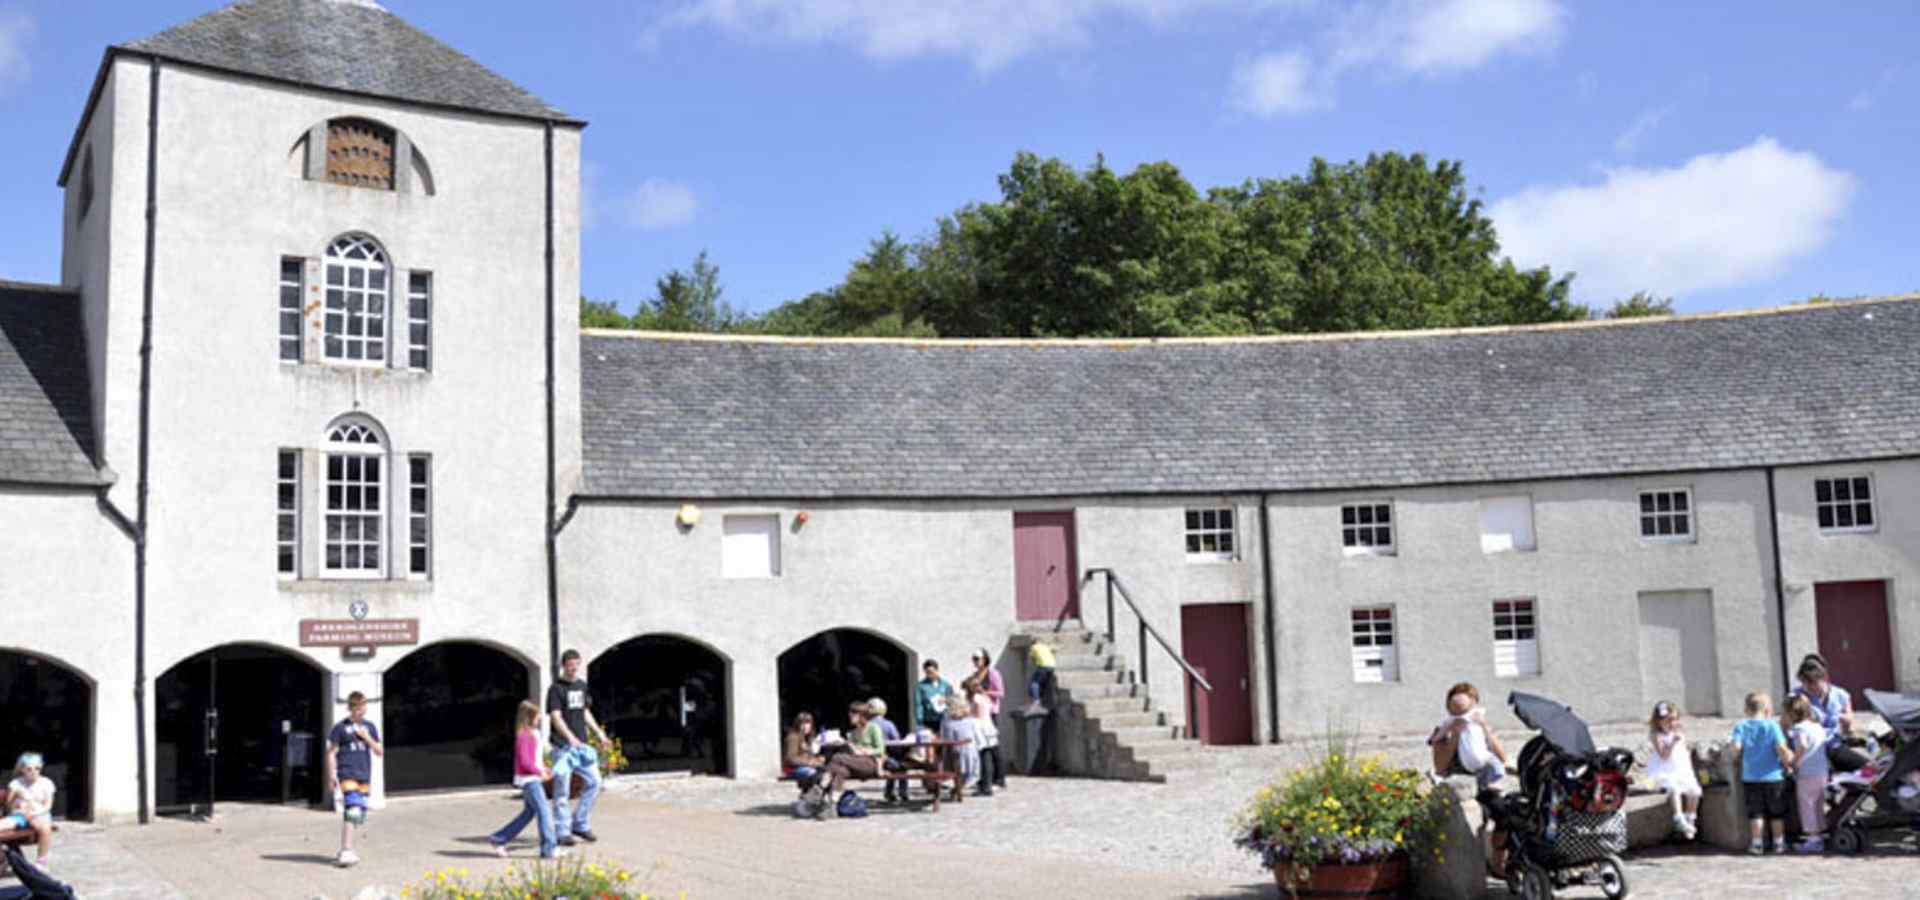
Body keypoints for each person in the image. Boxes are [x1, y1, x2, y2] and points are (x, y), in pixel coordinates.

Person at [547, 648, 610, 845]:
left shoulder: (582, 686)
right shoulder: (556, 689)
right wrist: (569, 737)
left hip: (581, 747)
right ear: (564, 666)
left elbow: (584, 712)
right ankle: (562, 831)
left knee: (595, 782)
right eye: (571, 665)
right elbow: (556, 717)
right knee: (562, 791)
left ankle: (580, 823)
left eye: (577, 665)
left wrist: (599, 734)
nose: (574, 669)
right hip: (563, 747)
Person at [489, 701, 563, 859]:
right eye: (537, 716)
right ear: (529, 717)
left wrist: (543, 768)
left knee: (528, 814)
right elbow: (525, 761)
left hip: (532, 778)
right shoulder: (525, 736)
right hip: (530, 780)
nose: (539, 719)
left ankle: (499, 839)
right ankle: (549, 848)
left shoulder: (532, 734)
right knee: (545, 812)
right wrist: (539, 772)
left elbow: (534, 759)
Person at [324, 691, 384, 868]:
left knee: (358, 814)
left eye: (364, 706)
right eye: (358, 707)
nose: (361, 710)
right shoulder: (340, 728)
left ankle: (346, 848)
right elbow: (331, 753)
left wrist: (367, 738)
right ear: (350, 708)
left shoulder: (370, 727)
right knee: (353, 808)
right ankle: (346, 850)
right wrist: (331, 775)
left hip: (363, 775)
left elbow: (379, 752)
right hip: (347, 773)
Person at [1729, 691, 1793, 854]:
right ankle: (1779, 843)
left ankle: (1757, 843)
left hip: (1750, 776)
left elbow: (1736, 748)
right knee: (1776, 812)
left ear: (1746, 709)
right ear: (1767, 709)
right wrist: (1789, 762)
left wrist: (1735, 756)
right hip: (1773, 776)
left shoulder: (1741, 726)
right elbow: (1781, 748)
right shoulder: (1772, 726)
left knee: (1755, 813)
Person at [1427, 682, 1507, 791]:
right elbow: (1440, 767)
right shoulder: (1444, 729)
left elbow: (1502, 757)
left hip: (1484, 780)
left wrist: (1485, 728)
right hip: (1459, 785)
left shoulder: (1479, 723)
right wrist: (1455, 735)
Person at [813, 701, 885, 819]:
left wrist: (864, 751)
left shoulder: (873, 728)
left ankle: (820, 787)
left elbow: (880, 749)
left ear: (862, 715)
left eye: (853, 714)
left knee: (837, 757)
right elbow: (852, 752)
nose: (850, 716)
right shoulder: (853, 733)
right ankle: (832, 806)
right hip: (854, 763)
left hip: (870, 763)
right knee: (841, 771)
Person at [1788, 655, 1861, 768]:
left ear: (1824, 678)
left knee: (1867, 767)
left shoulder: (1840, 694)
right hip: (1808, 747)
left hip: (1832, 745)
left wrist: (1842, 718)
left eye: (1812, 682)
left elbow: (1849, 720)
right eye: (1804, 682)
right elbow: (1787, 723)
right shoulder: (1796, 696)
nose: (1807, 687)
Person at [1645, 701, 1700, 840]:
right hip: (1663, 771)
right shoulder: (1656, 735)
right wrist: (1672, 743)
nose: (1672, 723)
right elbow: (1664, 756)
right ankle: (1678, 818)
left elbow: (1683, 754)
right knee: (1674, 789)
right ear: (1658, 722)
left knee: (1695, 791)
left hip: (1680, 770)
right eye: (1668, 720)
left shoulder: (1678, 733)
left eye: (1675, 719)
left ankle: (1690, 819)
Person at [1786, 695, 1830, 853]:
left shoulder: (1799, 729)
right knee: (1819, 805)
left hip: (1807, 773)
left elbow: (1802, 745)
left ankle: (1813, 839)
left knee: (1807, 806)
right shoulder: (1817, 727)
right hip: (1822, 771)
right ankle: (1821, 833)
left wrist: (1794, 761)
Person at [4, 752, 56, 868]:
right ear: (22, 769)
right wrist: (14, 795)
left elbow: (48, 805)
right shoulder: (16, 784)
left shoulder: (46, 783)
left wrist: (34, 813)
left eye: (37, 768)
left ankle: (41, 861)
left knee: (45, 828)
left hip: (39, 814)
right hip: (19, 814)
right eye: (29, 769)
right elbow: (9, 807)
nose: (34, 772)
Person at [968, 647, 1007, 790]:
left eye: (978, 658)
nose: (975, 662)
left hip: (991, 712)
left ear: (985, 659)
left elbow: (1001, 693)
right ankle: (985, 777)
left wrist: (985, 691)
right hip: (979, 712)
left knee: (993, 746)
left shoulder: (993, 674)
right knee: (982, 746)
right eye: (974, 659)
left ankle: (1000, 777)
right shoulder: (975, 675)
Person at [939, 690, 981, 800]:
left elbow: (944, 737)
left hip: (952, 751)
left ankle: (957, 789)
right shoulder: (971, 721)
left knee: (957, 771)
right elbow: (977, 737)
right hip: (968, 751)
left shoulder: (946, 722)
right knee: (966, 772)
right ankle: (958, 789)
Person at [867, 697, 905, 802]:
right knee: (901, 767)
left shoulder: (866, 725)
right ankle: (902, 792)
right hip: (884, 758)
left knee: (893, 765)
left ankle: (889, 792)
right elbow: (897, 740)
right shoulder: (888, 724)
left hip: (868, 758)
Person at [782, 712, 826, 792]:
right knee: (813, 774)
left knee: (827, 773)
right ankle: (807, 796)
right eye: (803, 724)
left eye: (808, 723)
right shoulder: (793, 737)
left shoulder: (808, 738)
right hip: (792, 769)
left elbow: (809, 755)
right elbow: (791, 759)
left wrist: (818, 759)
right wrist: (811, 762)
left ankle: (818, 796)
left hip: (807, 766)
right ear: (797, 724)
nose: (805, 727)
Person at [970, 692, 1000, 797]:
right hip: (988, 727)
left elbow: (978, 714)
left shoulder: (976, 698)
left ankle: (986, 786)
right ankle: (986, 785)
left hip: (982, 730)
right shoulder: (985, 697)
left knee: (984, 758)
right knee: (987, 757)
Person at [916, 660, 955, 733]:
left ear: (937, 670)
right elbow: (918, 705)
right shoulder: (920, 686)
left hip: (944, 719)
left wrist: (946, 700)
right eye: (927, 672)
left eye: (931, 672)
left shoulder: (946, 685)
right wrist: (919, 721)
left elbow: (954, 700)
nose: (929, 674)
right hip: (928, 720)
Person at [1026, 640, 1057, 712]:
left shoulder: (1033, 647)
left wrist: (1034, 662)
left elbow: (1031, 657)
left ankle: (1036, 700)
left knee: (1034, 682)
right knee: (1043, 684)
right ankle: (1044, 700)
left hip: (1043, 666)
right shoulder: (1045, 647)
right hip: (1052, 666)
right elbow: (1053, 652)